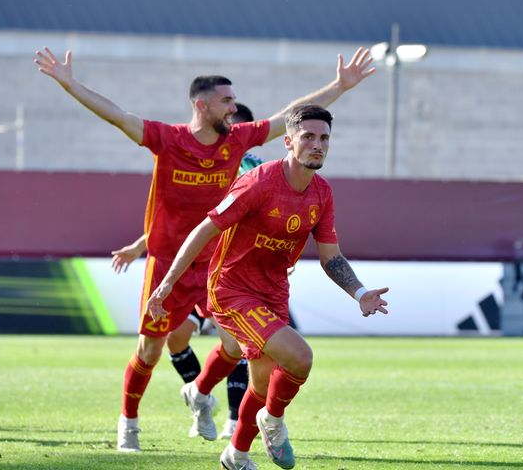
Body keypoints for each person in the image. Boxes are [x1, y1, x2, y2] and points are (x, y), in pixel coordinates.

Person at [34, 46, 375, 452]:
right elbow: (117, 116)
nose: (234, 108)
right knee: (151, 348)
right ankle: (129, 422)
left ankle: (200, 396)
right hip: (170, 263)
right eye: (226, 100)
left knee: (234, 346)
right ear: (201, 104)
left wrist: (338, 86)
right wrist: (71, 85)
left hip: (220, 262)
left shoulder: (239, 140)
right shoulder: (168, 139)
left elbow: (293, 118)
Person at [146, 104, 389, 470]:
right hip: (231, 290)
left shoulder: (322, 194)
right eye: (308, 136)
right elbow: (204, 229)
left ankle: (236, 454)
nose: (317, 144)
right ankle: (273, 421)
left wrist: (359, 292)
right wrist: (166, 284)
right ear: (288, 142)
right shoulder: (258, 181)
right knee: (300, 357)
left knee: (261, 383)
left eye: (324, 138)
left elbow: (331, 258)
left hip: (273, 291)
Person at [110, 104, 261, 440]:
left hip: (224, 265)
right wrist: (140, 246)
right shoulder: (199, 158)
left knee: (237, 344)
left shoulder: (253, 169)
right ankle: (184, 404)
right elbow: (189, 223)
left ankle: (230, 416)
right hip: (180, 265)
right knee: (166, 343)